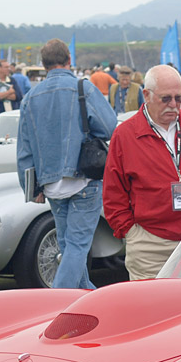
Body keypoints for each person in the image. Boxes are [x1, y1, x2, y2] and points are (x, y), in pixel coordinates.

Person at [103, 65, 181, 280]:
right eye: (166, 98)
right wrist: (131, 233)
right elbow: (113, 192)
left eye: (179, 98)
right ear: (146, 96)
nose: (173, 105)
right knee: (151, 309)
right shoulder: (125, 135)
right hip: (150, 245)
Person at [17, 39, 116, 289]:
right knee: (77, 246)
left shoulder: (30, 97)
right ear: (69, 60)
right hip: (84, 177)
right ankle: (54, 305)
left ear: (43, 64)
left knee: (69, 246)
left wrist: (31, 189)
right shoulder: (83, 88)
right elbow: (109, 127)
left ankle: (86, 297)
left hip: (50, 184)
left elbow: (25, 150)